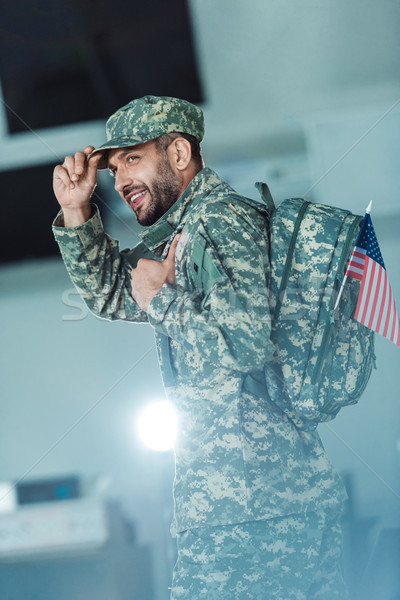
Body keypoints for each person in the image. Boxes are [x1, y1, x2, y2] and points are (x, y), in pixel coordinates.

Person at [52, 95, 348, 599]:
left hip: (252, 511)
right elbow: (108, 293)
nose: (120, 180)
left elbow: (245, 341)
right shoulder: (184, 234)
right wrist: (77, 210)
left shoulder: (218, 221)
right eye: (114, 167)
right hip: (257, 504)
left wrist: (162, 299)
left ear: (180, 155)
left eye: (133, 159)